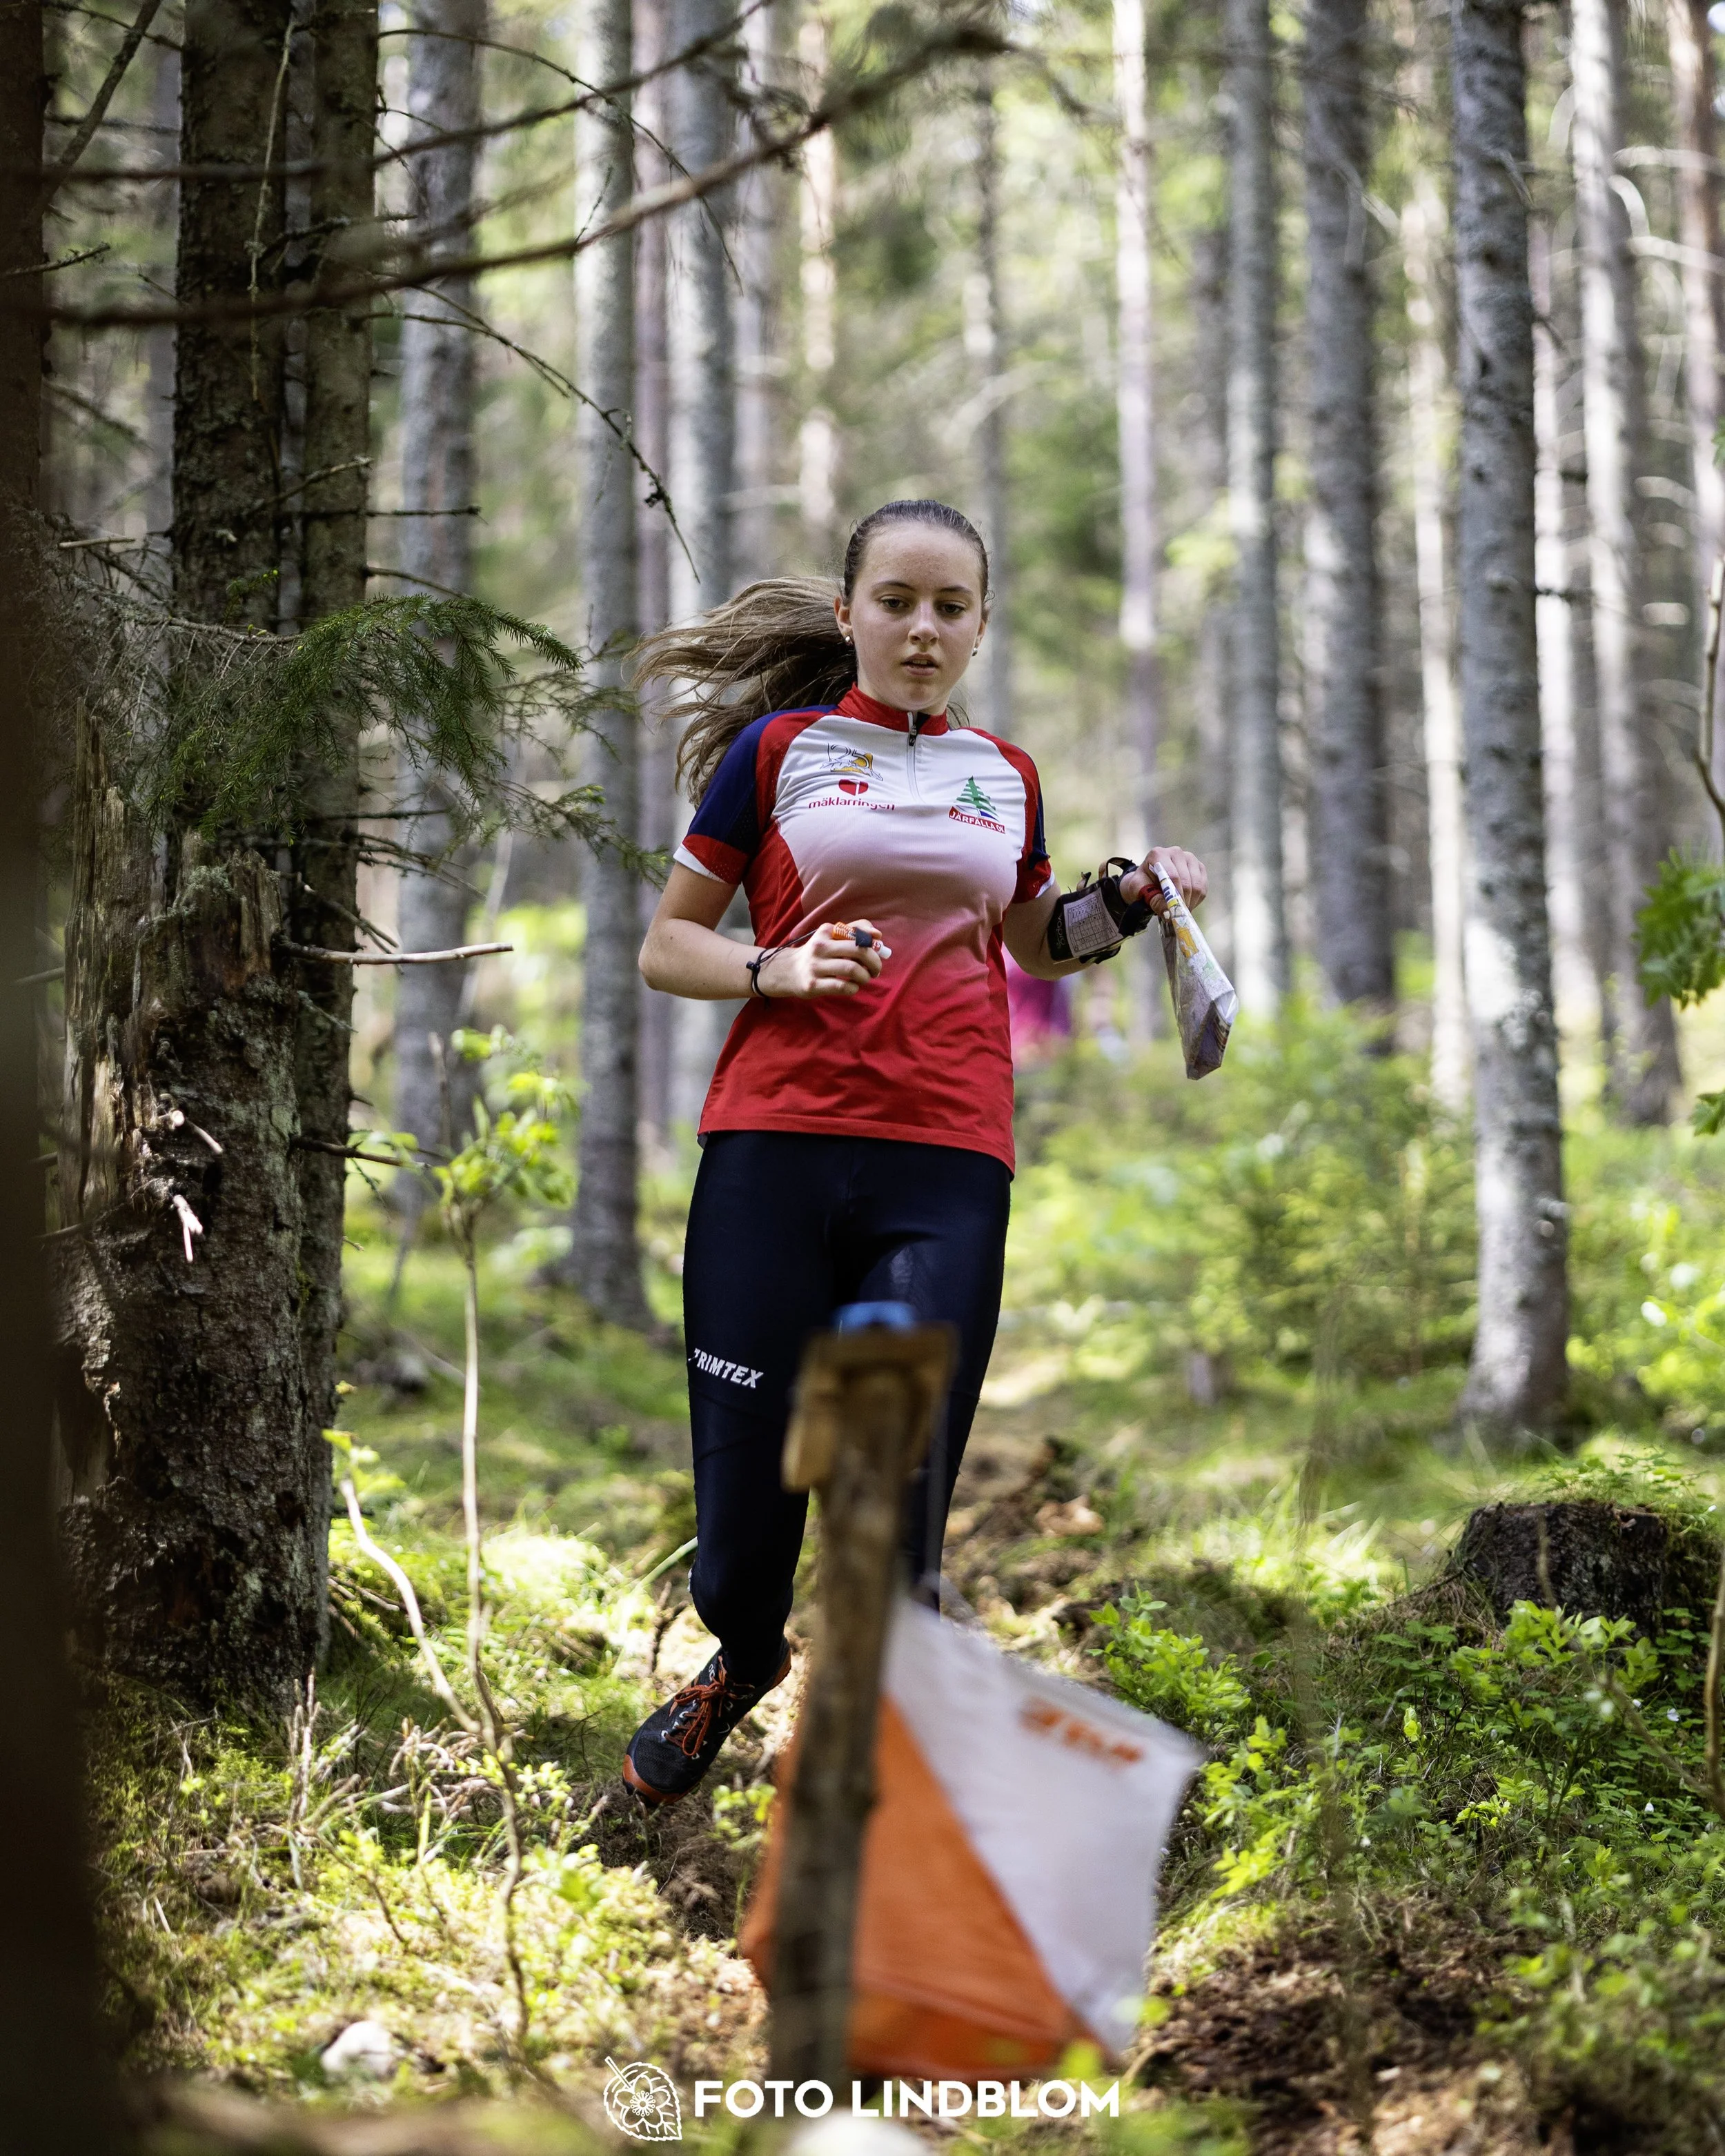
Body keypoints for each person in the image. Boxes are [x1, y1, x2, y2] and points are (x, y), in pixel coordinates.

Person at [622, 499, 1207, 1806]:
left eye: (952, 607)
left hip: (944, 1155)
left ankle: (872, 1745)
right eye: (897, 601)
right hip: (772, 1148)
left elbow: (1030, 939)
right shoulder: (778, 754)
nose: (924, 629)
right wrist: (775, 967)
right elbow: (669, 946)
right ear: (850, 616)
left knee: (892, 1473)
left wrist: (1123, 899)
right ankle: (745, 1657)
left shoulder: (1007, 773)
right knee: (745, 1523)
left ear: (982, 624)